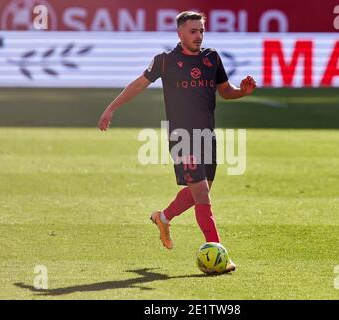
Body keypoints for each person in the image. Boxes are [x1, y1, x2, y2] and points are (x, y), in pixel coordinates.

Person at [98, 11, 256, 274]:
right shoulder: (165, 61)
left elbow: (225, 91)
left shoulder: (212, 58)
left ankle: (163, 217)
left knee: (198, 193)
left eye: (201, 31)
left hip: (207, 136)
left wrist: (243, 92)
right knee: (203, 193)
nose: (198, 36)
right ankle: (217, 252)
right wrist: (111, 108)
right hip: (182, 137)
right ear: (180, 33)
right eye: (193, 31)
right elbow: (138, 85)